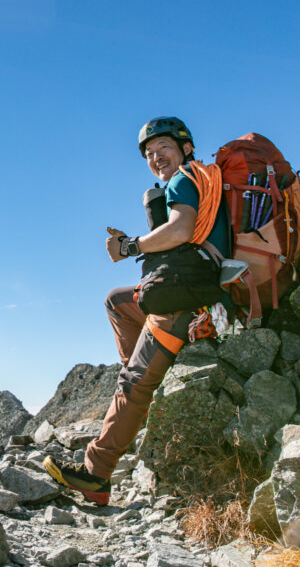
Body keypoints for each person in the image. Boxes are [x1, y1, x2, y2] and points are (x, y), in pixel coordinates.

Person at [44, 116, 232, 505]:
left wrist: (131, 247)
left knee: (132, 381)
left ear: (186, 147)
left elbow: (180, 231)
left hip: (187, 300)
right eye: (149, 153)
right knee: (117, 300)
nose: (156, 156)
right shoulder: (204, 177)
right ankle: (140, 389)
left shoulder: (183, 178)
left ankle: (96, 475)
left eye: (164, 147)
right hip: (197, 283)